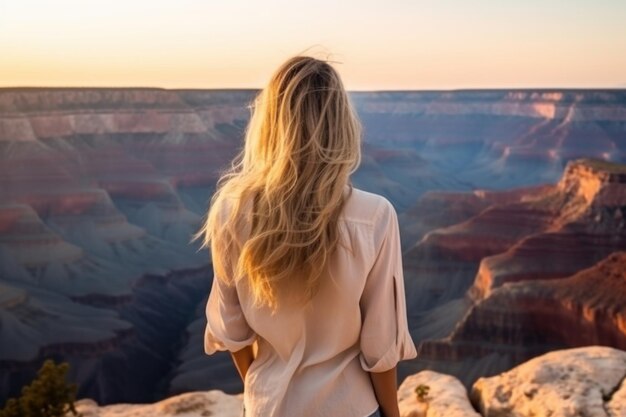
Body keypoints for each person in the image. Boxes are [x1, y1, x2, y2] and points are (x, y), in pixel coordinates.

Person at [192, 55, 417, 417]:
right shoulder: (374, 215)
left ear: (269, 125)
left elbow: (232, 332)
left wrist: (268, 394)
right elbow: (380, 345)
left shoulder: (230, 212)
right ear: (341, 124)